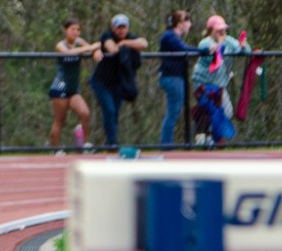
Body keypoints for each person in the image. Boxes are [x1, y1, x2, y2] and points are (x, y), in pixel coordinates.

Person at [89, 13, 147, 151]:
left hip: (118, 83)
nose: (121, 30)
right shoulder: (107, 36)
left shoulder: (129, 38)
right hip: (101, 82)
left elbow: (144, 43)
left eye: (124, 27)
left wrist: (124, 43)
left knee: (114, 113)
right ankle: (112, 142)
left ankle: (111, 142)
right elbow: (112, 49)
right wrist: (119, 45)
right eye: (118, 27)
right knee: (109, 109)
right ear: (113, 27)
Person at [192, 14, 250, 145]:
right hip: (204, 84)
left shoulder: (228, 40)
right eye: (218, 29)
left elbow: (245, 51)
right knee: (211, 110)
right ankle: (208, 138)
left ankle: (208, 136)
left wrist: (243, 46)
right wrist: (218, 45)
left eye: (223, 29)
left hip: (219, 85)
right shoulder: (205, 43)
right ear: (211, 30)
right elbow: (208, 59)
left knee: (227, 112)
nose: (222, 32)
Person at [47, 18, 99, 152]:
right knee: (59, 120)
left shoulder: (80, 43)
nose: (75, 32)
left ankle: (82, 144)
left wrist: (96, 51)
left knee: (85, 113)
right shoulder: (60, 45)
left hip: (73, 89)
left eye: (78, 29)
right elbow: (68, 53)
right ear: (66, 31)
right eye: (72, 29)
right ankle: (56, 149)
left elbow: (93, 48)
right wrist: (90, 48)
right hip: (60, 87)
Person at [155, 9, 195, 148]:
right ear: (180, 23)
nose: (190, 24)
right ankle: (166, 145)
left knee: (175, 111)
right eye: (187, 20)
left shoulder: (174, 37)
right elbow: (184, 49)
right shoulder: (170, 36)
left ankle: (167, 144)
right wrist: (206, 51)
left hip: (177, 77)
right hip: (171, 78)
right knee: (173, 112)